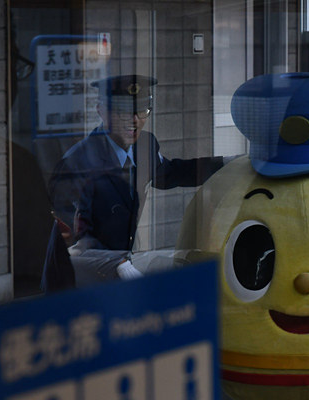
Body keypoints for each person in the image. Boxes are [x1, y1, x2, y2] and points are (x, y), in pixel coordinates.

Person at [42, 74, 226, 290]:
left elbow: (171, 173)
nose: (135, 120)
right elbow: (73, 239)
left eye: (142, 110)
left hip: (119, 272)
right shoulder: (77, 162)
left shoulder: (145, 145)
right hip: (76, 281)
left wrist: (224, 164)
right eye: (123, 111)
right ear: (101, 111)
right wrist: (117, 263)